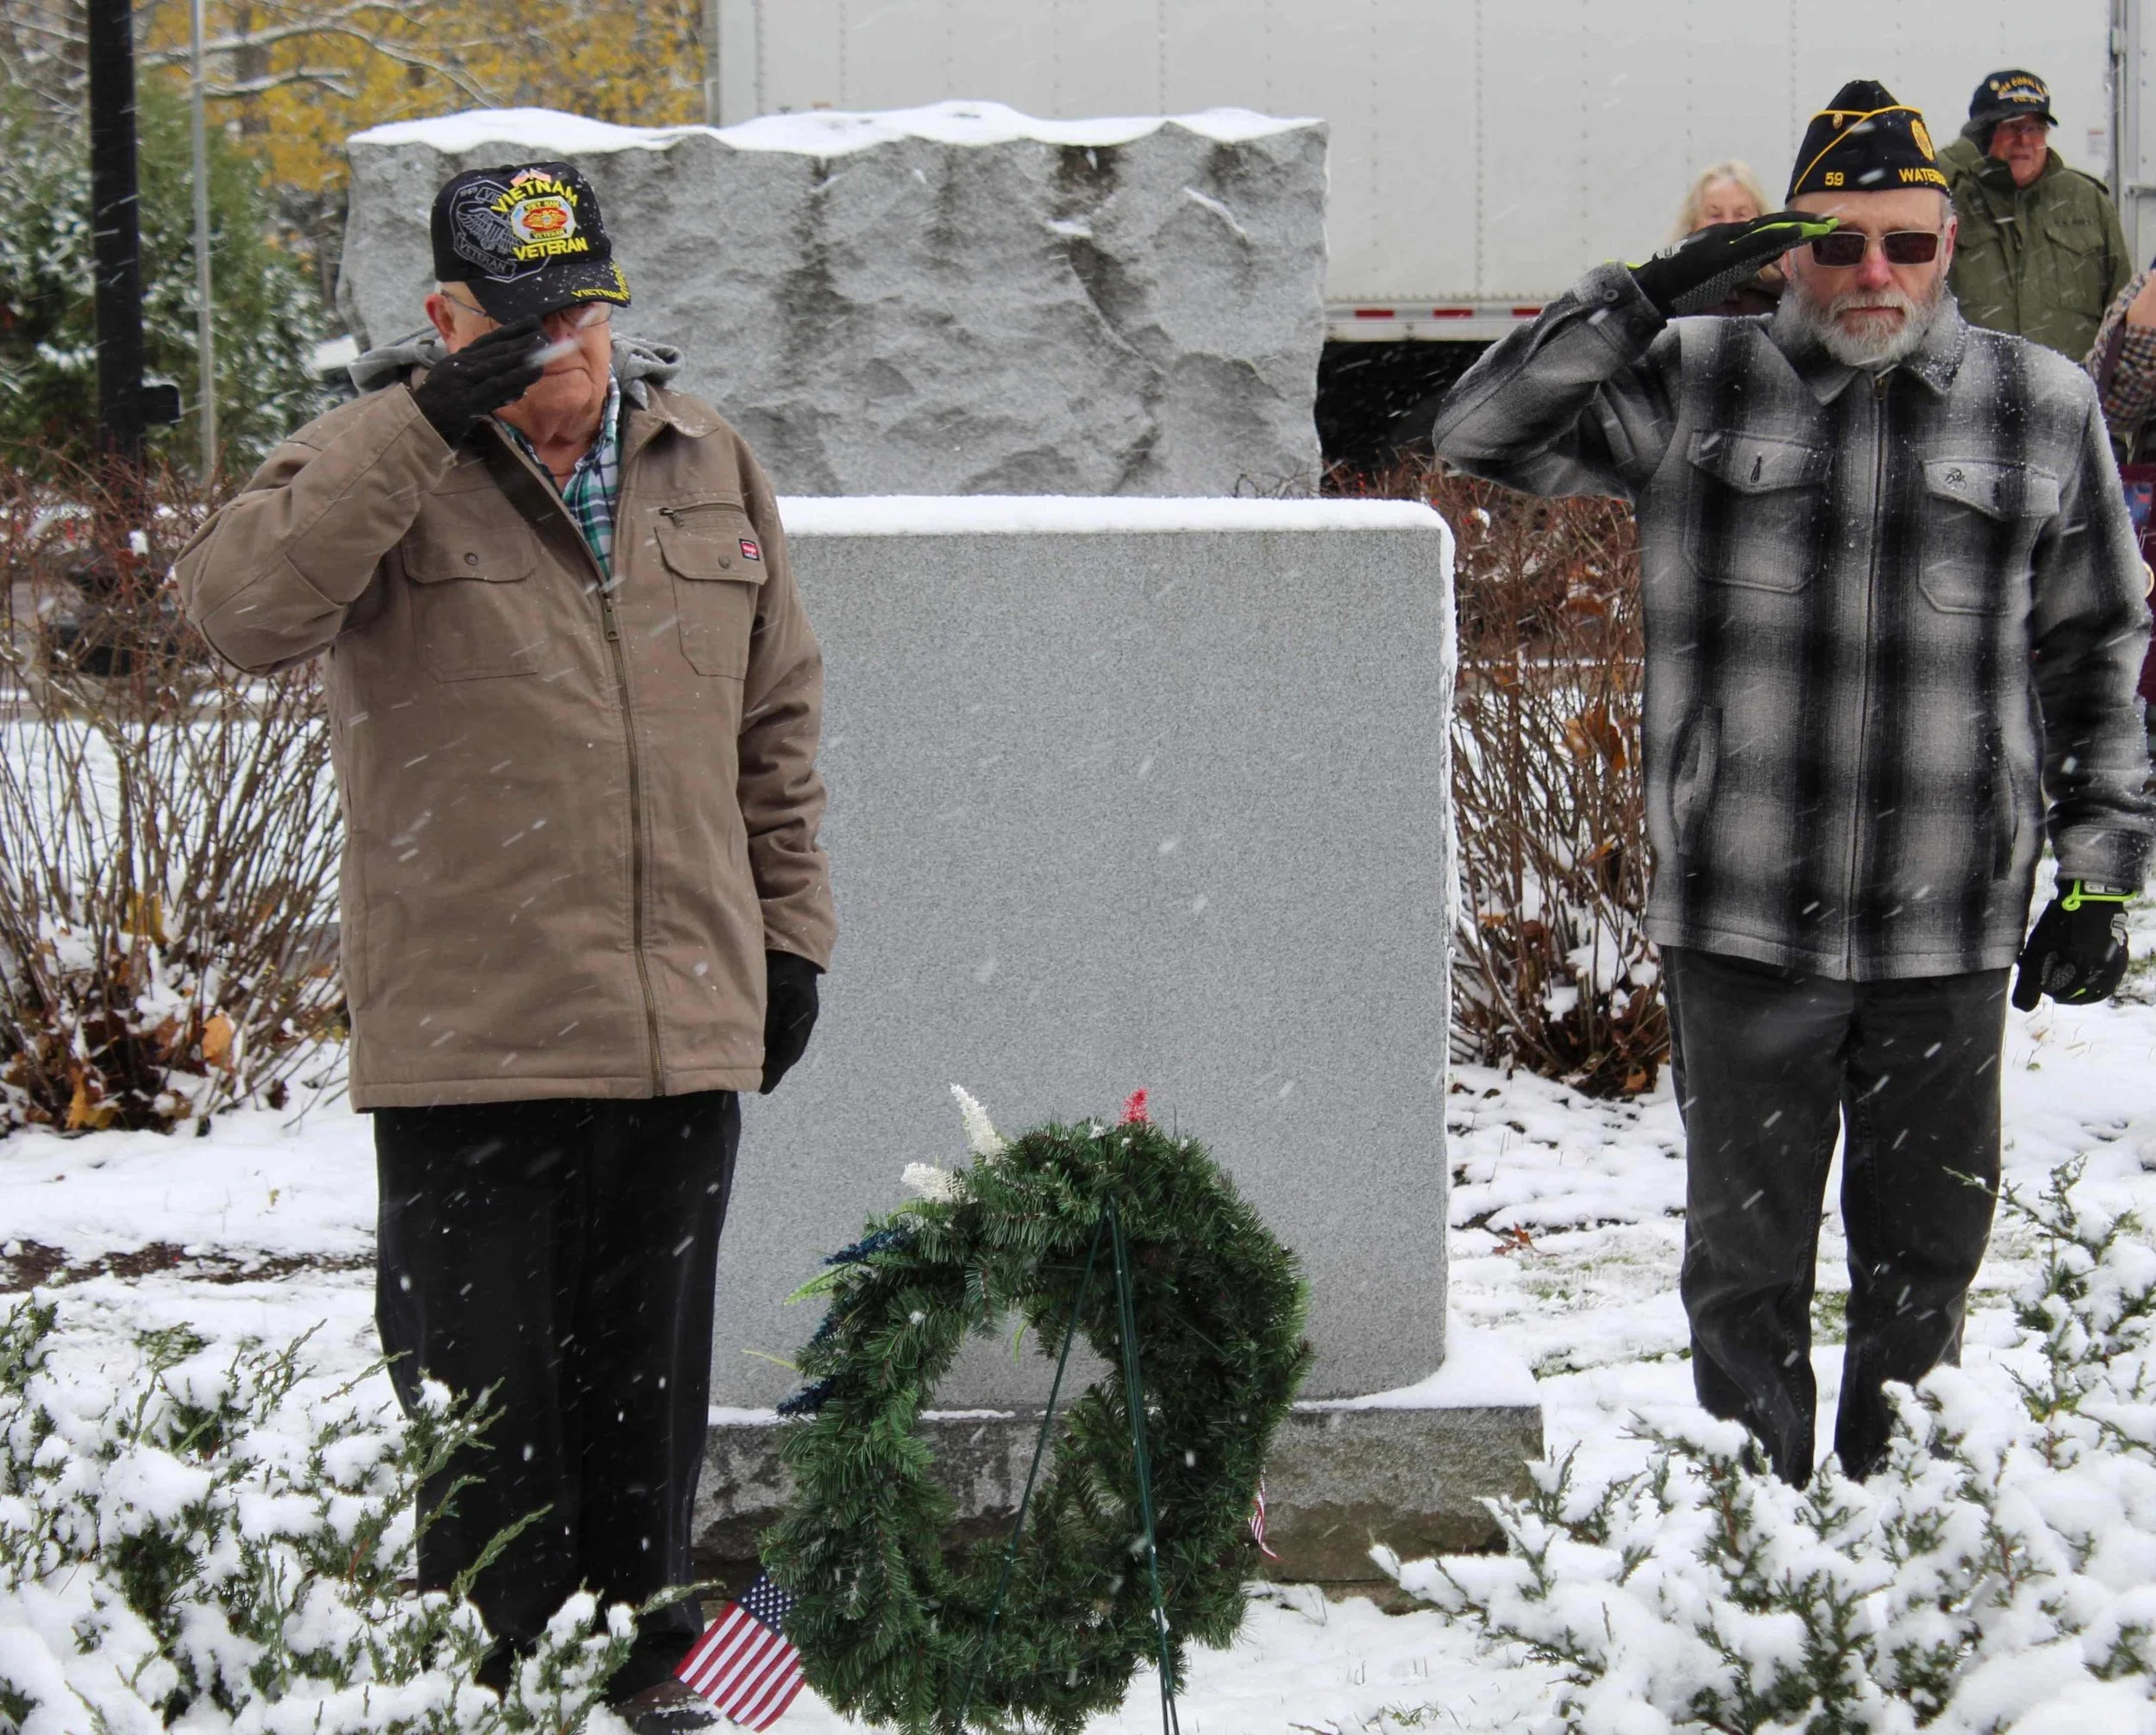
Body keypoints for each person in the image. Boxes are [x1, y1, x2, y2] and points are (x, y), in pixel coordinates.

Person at [174, 160, 837, 1719]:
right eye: (521, 328)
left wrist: (790, 938)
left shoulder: (705, 460)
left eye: (584, 320)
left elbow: (776, 727)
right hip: (475, 1041)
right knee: (489, 1419)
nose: (564, 357)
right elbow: (237, 607)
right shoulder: (394, 466)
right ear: (446, 318)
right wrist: (419, 418)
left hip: (679, 1027)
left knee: (650, 1397)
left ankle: (655, 1666)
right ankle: (496, 1683)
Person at [1432, 81, 2152, 1485]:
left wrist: (2102, 871)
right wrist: (1631, 300)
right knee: (1743, 1275)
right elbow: (1477, 437)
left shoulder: (2042, 403)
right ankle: (1756, 1562)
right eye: (1838, 243)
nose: (1874, 272)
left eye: (1906, 241)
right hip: (1748, 931)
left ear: (1951, 242)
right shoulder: (1696, 381)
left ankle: (1889, 1538)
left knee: (1927, 1266)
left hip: (1948, 932)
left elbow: (2097, 649)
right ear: (1787, 248)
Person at [1939, 68, 2130, 360]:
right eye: (2012, 127)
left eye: (2036, 128)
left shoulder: (2088, 201)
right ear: (1983, 133)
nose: (2025, 140)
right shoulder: (1950, 199)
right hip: (1973, 397)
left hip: (2070, 397)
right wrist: (1961, 154)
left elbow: (2124, 316)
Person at [1669, 160, 1782, 315]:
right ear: (1692, 225)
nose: (1728, 224)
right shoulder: (1666, 294)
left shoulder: (1784, 293)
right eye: (1715, 215)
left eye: (1741, 214)